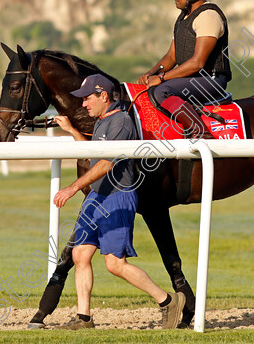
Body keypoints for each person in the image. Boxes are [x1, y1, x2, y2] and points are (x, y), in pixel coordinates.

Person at [51, 73, 185, 330]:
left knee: (115, 264)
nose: (83, 104)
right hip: (97, 198)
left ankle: (167, 301)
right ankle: (84, 318)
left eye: (88, 98)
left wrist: (72, 188)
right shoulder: (102, 120)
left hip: (117, 198)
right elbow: (93, 153)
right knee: (80, 254)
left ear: (103, 96)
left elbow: (106, 162)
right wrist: (71, 132)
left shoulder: (122, 122)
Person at [137, 0, 232, 139]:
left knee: (161, 91)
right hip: (192, 79)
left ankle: (202, 133)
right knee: (147, 89)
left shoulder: (209, 16)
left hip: (211, 80)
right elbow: (171, 56)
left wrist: (162, 78)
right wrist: (150, 75)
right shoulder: (183, 18)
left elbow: (197, 62)